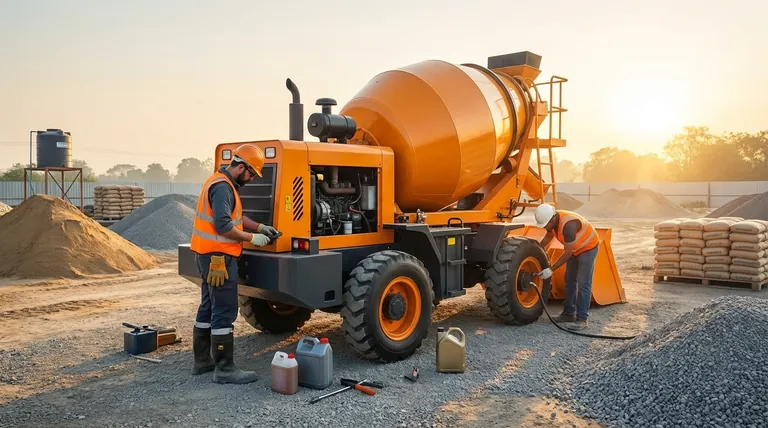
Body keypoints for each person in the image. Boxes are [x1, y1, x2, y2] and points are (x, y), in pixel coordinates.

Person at [189, 144, 278, 384]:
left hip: (206, 255)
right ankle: (225, 369)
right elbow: (223, 225)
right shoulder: (223, 188)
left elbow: (235, 218)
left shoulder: (218, 181)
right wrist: (252, 238)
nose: (251, 179)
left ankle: (202, 361)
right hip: (219, 259)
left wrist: (258, 226)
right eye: (251, 174)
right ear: (241, 167)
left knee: (208, 306)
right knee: (225, 310)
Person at [533, 203, 599, 330]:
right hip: (574, 249)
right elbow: (548, 237)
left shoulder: (568, 225)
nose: (545, 227)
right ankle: (568, 313)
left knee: (584, 283)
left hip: (587, 248)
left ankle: (582, 319)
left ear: (552, 219)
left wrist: (550, 270)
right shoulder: (552, 220)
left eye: (546, 224)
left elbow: (567, 253)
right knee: (569, 280)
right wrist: (536, 250)